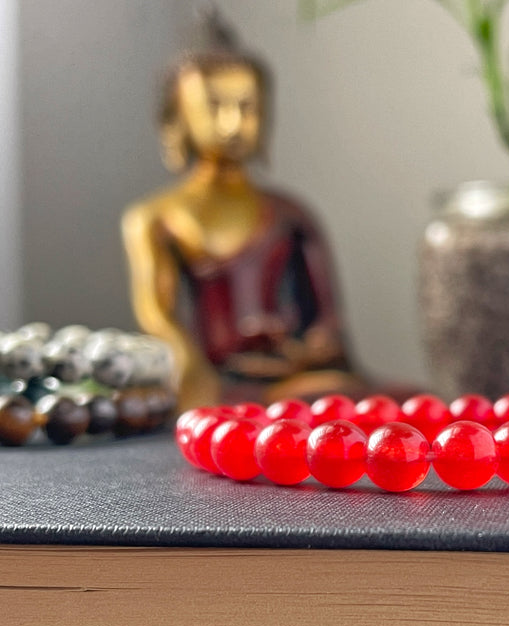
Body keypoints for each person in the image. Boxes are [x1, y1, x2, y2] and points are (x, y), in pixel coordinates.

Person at [122, 11, 361, 409]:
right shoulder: (157, 217)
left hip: (294, 374)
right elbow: (157, 316)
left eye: (246, 107)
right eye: (214, 106)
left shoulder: (290, 213)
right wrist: (190, 365)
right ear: (179, 114)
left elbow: (328, 322)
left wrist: (307, 351)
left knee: (369, 398)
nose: (233, 124)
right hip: (219, 377)